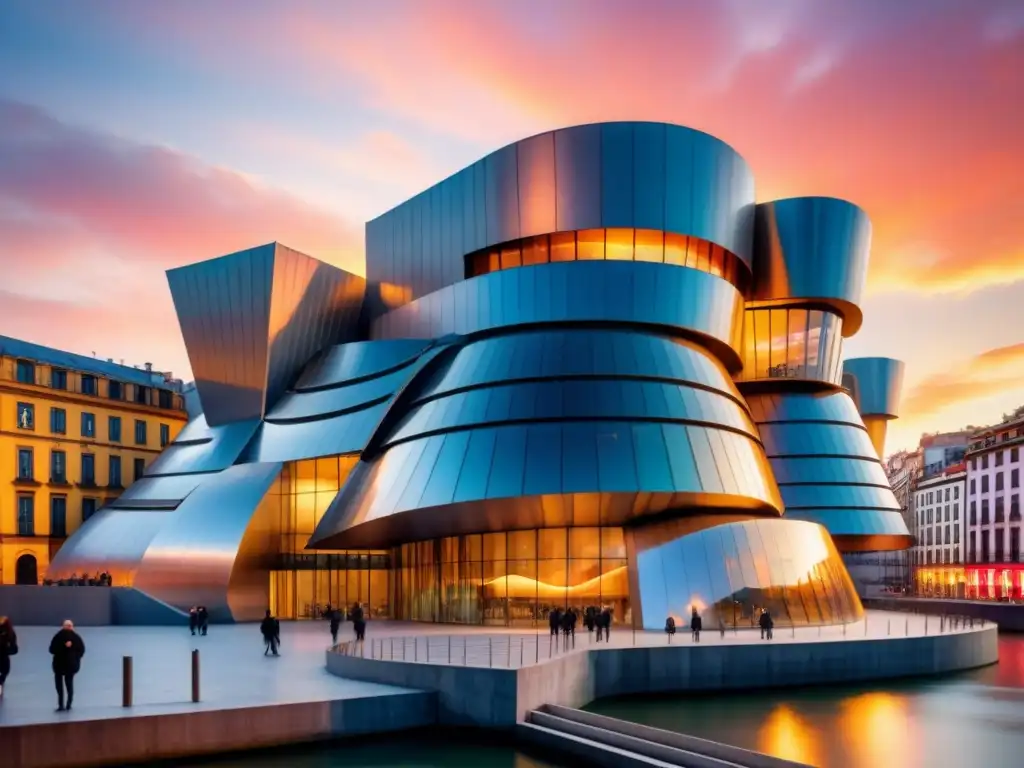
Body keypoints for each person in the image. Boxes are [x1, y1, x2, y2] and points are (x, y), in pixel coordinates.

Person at [49, 619, 85, 711]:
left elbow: (81, 651)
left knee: (68, 685)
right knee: (61, 686)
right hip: (61, 665)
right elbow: (52, 649)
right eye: (67, 626)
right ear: (63, 626)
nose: (68, 628)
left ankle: (68, 704)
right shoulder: (59, 637)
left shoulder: (75, 638)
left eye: (70, 626)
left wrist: (75, 657)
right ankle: (61, 704)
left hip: (68, 666)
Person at [0, 616, 17, 696]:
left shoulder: (10, 633)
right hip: (4, 655)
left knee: (5, 671)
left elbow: (14, 647)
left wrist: (9, 650)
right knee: (5, 671)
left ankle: (1, 686)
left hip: (4, 655)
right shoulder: (10, 632)